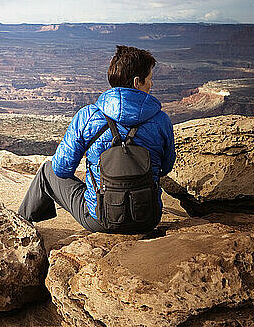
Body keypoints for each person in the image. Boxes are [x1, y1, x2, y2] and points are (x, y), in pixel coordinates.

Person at [18, 45, 176, 233]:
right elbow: (165, 168)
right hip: (148, 218)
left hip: (101, 219)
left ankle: (20, 226)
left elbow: (61, 169)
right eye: (150, 79)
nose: (152, 84)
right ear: (137, 82)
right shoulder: (161, 120)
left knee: (47, 170)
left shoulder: (88, 116)